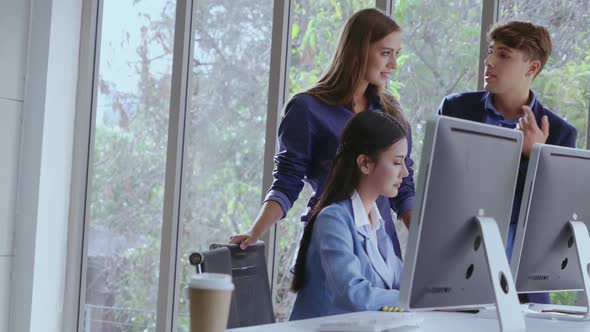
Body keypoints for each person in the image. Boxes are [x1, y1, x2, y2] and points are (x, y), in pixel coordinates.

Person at [230, 8, 415, 260]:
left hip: (380, 254)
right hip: (327, 249)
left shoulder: (392, 112)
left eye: (396, 55)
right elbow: (287, 180)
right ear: (358, 51)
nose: (393, 64)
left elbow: (404, 187)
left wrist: (431, 241)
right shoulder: (307, 108)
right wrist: (255, 231)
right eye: (385, 53)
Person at [438, 21, 577, 304]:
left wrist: (536, 156)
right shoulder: (456, 109)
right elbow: (440, 186)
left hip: (521, 282)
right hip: (454, 266)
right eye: (491, 51)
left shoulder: (561, 133)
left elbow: (553, 219)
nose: (488, 61)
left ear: (532, 68)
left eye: (503, 55)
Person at [289, 110, 408, 320]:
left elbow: (401, 284)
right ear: (365, 163)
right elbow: (353, 293)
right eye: (397, 162)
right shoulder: (333, 219)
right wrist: (412, 300)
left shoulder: (375, 221)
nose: (405, 173)